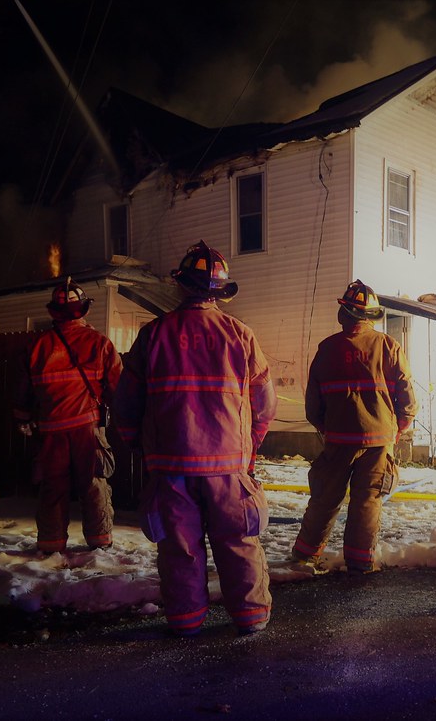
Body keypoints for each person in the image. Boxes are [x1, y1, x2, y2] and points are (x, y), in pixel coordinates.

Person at [113, 242, 277, 636]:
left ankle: (186, 621)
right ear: (221, 291)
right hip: (228, 467)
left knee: (179, 548)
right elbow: (265, 404)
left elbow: (126, 404)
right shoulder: (240, 335)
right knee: (238, 541)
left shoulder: (153, 334)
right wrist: (248, 448)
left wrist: (141, 445)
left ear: (182, 286)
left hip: (170, 466)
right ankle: (251, 617)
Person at [290, 280, 417, 575]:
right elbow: (407, 395)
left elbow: (313, 404)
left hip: (337, 440)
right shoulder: (388, 346)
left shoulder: (327, 348)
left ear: (344, 314)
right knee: (367, 501)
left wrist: (327, 427)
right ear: (371, 315)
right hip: (378, 440)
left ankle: (304, 556)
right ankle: (360, 561)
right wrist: (398, 427)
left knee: (324, 497)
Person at [14, 278, 122, 554]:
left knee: (53, 486)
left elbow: (23, 390)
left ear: (53, 312)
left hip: (50, 430)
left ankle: (51, 545)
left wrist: (23, 418)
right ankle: (100, 544)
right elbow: (118, 388)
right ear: (83, 310)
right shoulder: (99, 344)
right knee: (94, 484)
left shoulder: (37, 346)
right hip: (87, 428)